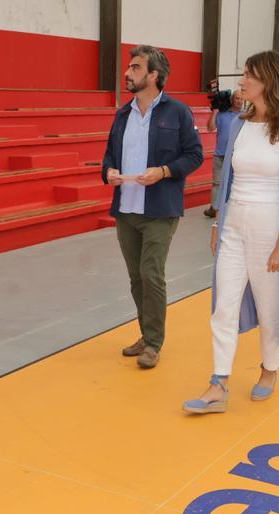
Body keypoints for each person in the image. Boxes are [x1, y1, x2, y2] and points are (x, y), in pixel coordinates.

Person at [182, 50, 279, 414]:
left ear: (269, 79)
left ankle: (269, 369)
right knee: (223, 306)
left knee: (271, 308)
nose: (241, 82)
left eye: (248, 75)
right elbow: (229, 181)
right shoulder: (239, 122)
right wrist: (220, 224)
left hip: (271, 230)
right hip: (234, 226)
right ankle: (218, 383)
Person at [102, 45, 204, 369]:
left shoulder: (178, 112)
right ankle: (146, 334)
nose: (127, 73)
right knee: (136, 277)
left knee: (151, 273)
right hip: (126, 209)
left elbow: (195, 155)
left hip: (160, 209)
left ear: (153, 75)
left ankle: (154, 342)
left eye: (134, 67)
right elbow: (108, 156)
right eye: (129, 67)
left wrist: (163, 171)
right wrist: (109, 172)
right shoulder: (122, 114)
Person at [205, 83, 243, 218]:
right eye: (237, 98)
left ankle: (231, 208)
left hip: (236, 156)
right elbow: (210, 128)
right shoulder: (221, 114)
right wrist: (215, 110)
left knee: (234, 183)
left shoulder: (245, 116)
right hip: (220, 155)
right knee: (217, 183)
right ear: (232, 99)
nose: (239, 101)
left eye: (241, 98)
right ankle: (214, 208)